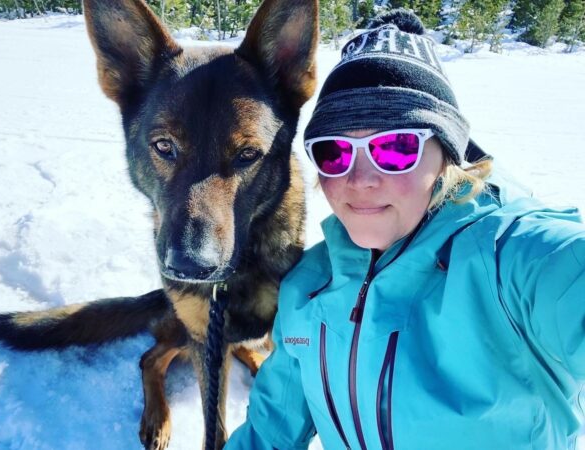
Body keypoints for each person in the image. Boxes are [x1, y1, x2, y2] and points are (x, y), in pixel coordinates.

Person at [225, 9, 585, 450]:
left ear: (447, 151)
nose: (359, 180)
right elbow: (269, 435)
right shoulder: (307, 288)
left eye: (396, 148)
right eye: (335, 152)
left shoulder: (513, 260)